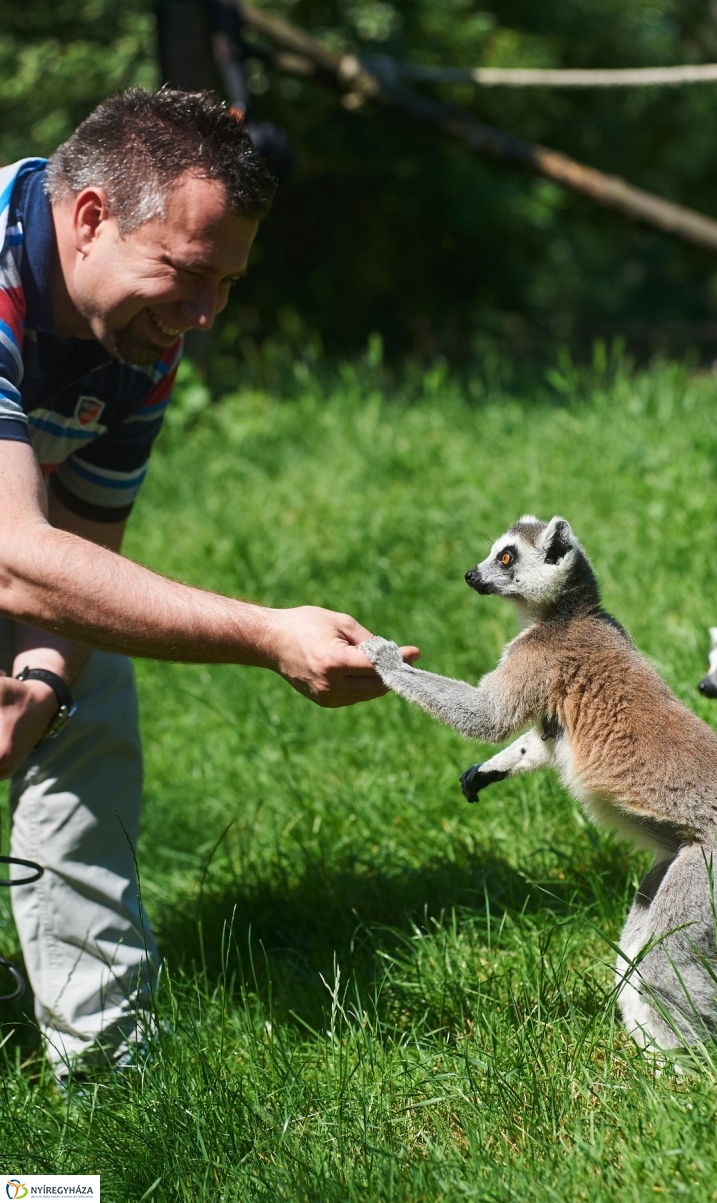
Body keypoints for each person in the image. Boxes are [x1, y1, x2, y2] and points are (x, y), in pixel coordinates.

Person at [0, 87, 418, 1078]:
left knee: (90, 691)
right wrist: (266, 633)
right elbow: (17, 553)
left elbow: (81, 557)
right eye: (188, 276)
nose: (203, 315)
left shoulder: (136, 333)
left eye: (225, 285)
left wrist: (42, 686)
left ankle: (107, 1067)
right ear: (92, 217)